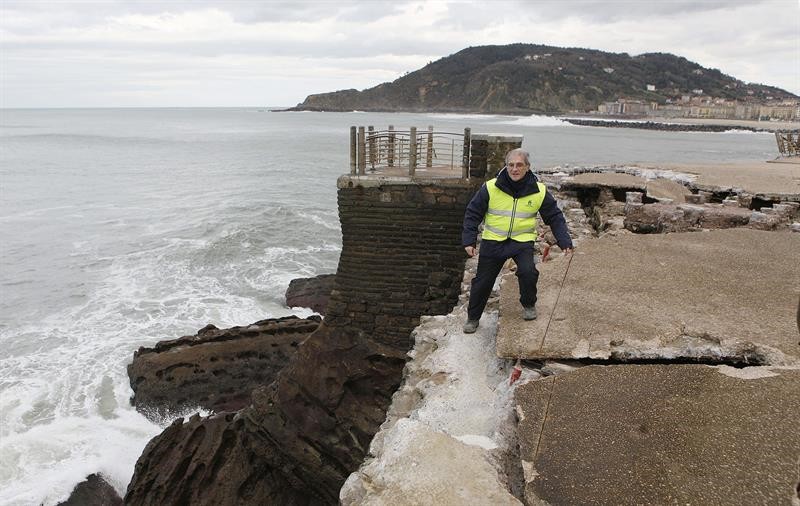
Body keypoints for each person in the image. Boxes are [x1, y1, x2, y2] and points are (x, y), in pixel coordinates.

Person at [461, 148, 573, 333]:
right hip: (493, 241)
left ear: (527, 167)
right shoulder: (491, 187)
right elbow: (473, 213)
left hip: (522, 241)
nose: (514, 169)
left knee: (528, 272)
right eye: (511, 165)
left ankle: (528, 304)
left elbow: (554, 217)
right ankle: (473, 318)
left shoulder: (539, 190)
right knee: (482, 282)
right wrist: (469, 240)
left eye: (519, 165)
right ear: (506, 166)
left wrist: (564, 241)